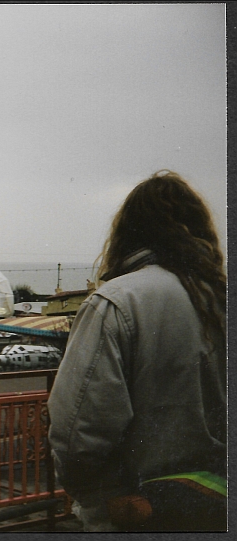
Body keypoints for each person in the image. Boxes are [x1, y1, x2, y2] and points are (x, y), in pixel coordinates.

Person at [47, 170, 226, 531]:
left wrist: (98, 504)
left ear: (127, 232)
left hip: (139, 513)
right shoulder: (219, 297)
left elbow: (77, 434)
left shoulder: (115, 303)